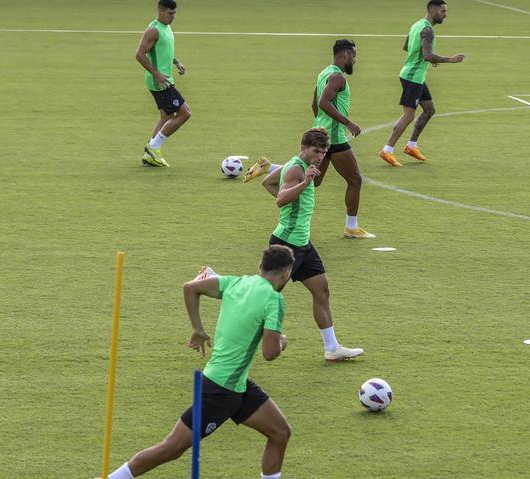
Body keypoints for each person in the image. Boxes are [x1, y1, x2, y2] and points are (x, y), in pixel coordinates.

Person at [101, 245, 296, 479]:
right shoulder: (274, 300)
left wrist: (198, 329)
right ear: (286, 274)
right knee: (172, 448)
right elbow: (270, 353)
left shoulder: (234, 283)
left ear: (260, 267)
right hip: (220, 389)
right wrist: (281, 341)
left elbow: (190, 288)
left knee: (280, 432)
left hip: (237, 385)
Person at [244, 40, 376, 239]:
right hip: (335, 136)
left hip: (323, 132)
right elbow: (323, 102)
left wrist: (319, 124)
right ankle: (351, 227)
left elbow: (315, 103)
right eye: (354, 56)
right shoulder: (338, 77)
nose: (355, 61)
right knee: (355, 179)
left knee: (315, 181)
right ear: (346, 55)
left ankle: (269, 167)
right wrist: (347, 123)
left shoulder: (324, 73)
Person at [262, 128, 364, 361]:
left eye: (323, 152)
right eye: (316, 151)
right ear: (304, 147)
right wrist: (305, 182)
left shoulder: (295, 165)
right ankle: (244, 340)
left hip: (303, 244)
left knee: (322, 291)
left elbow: (268, 182)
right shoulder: (298, 169)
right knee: (264, 297)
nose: (320, 156)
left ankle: (332, 348)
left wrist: (293, 201)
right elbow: (280, 199)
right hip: (286, 245)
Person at [379, 0, 465, 167]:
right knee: (409, 115)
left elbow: (406, 46)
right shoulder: (428, 30)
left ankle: (411, 146)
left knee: (429, 109)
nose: (445, 15)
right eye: (443, 11)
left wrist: (428, 57)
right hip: (413, 77)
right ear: (433, 11)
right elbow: (427, 55)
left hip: (415, 75)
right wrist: (450, 59)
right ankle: (387, 150)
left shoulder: (417, 25)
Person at [134, 0, 191, 168]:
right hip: (160, 82)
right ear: (160, 10)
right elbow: (140, 54)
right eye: (170, 13)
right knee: (184, 113)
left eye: (174, 13)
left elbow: (163, 50)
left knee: (166, 117)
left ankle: (150, 154)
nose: (173, 16)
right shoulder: (153, 30)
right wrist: (156, 74)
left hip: (165, 79)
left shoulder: (166, 27)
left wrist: (176, 62)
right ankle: (153, 148)